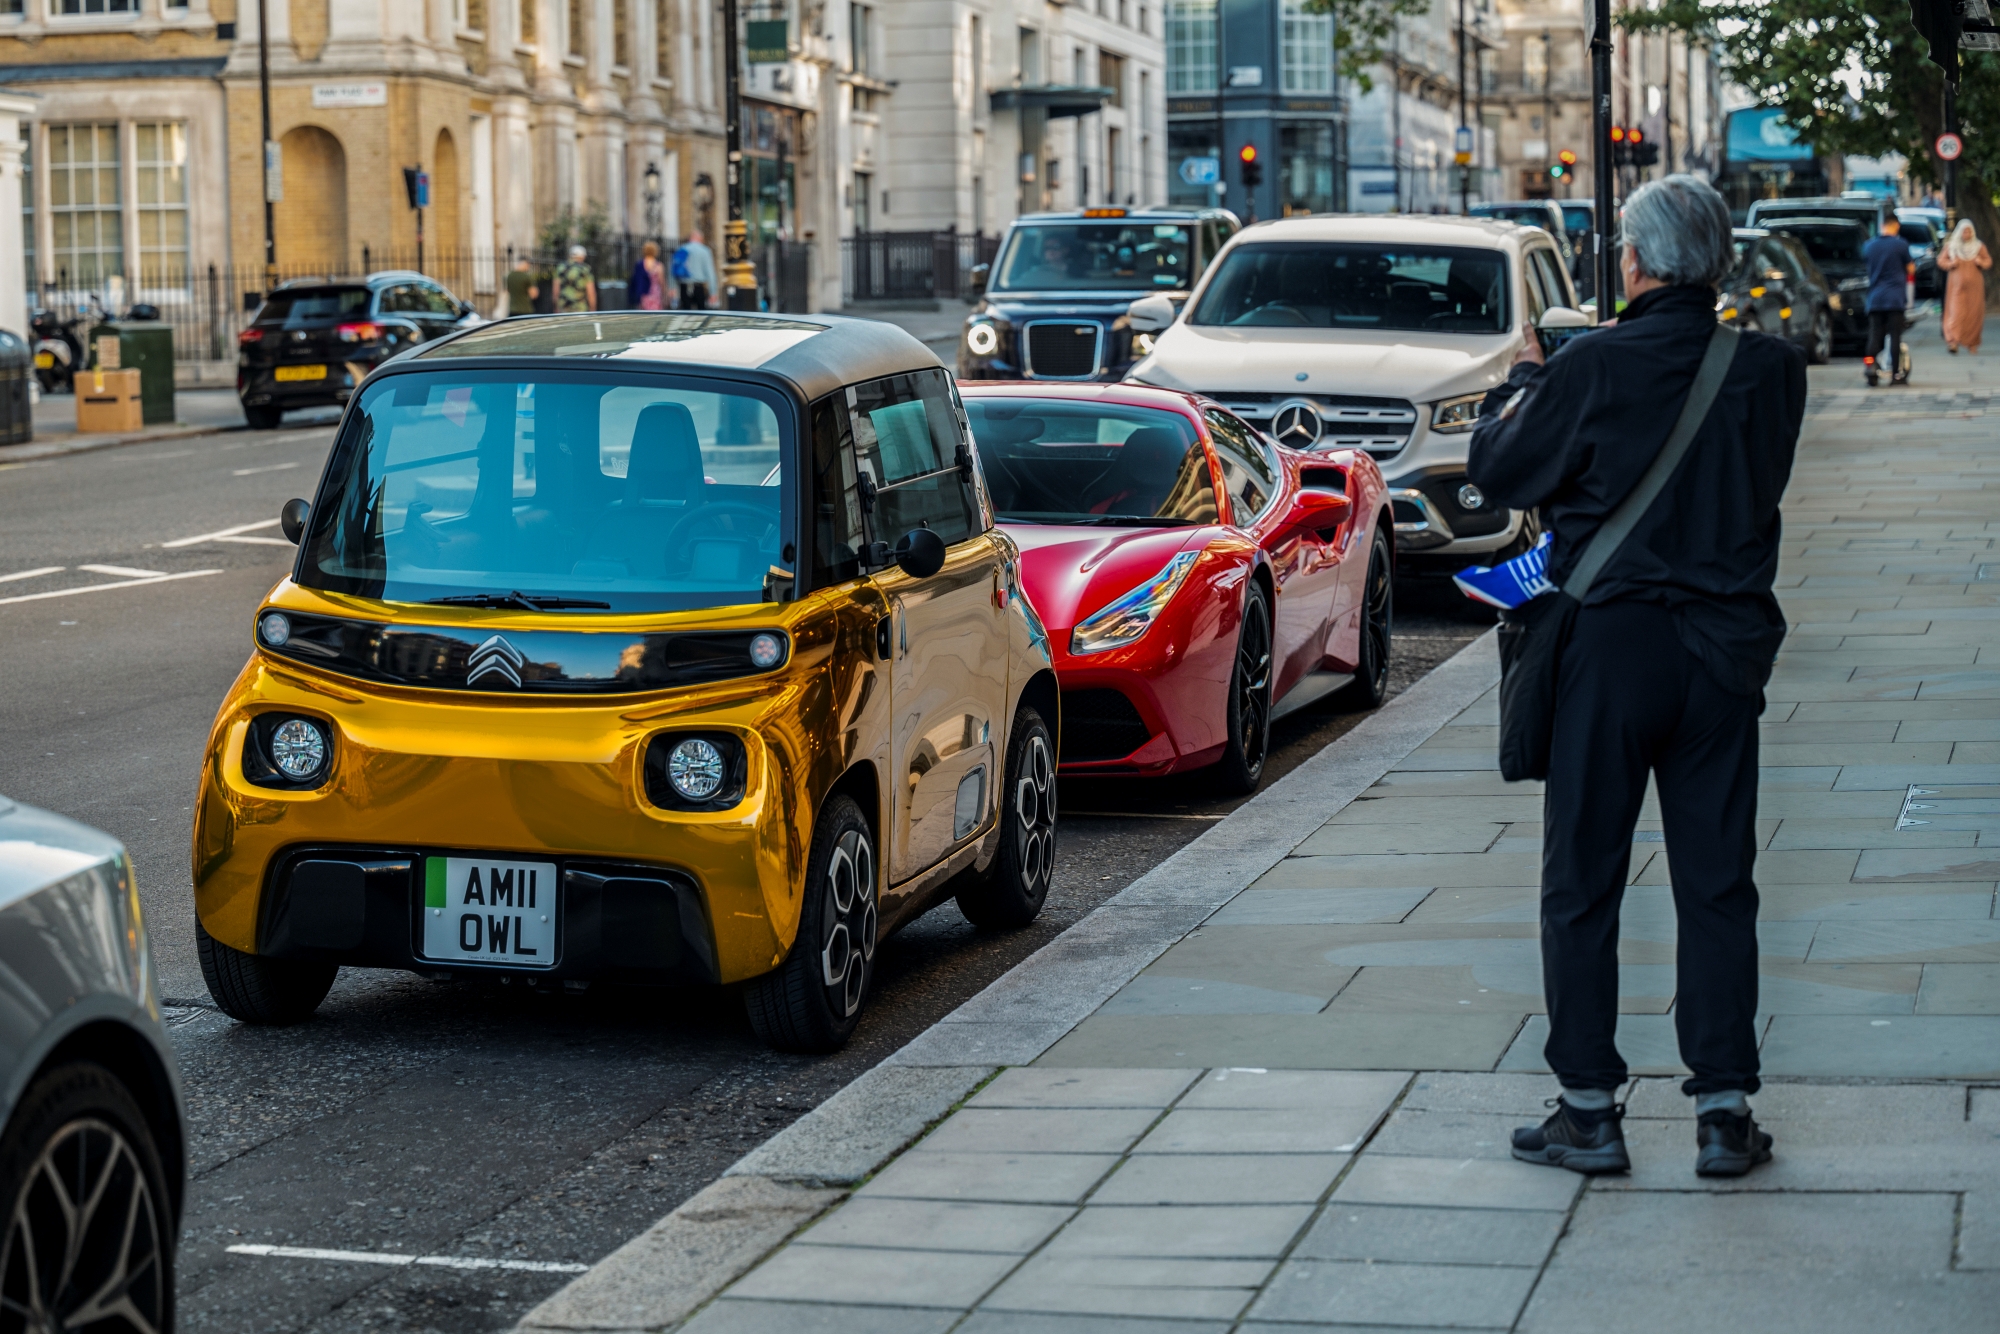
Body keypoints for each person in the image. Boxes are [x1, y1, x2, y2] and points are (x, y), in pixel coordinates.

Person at [1466, 175, 1807, 1180]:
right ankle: (1721, 1111)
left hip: (1608, 648)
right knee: (1716, 879)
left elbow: (1502, 471)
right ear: (1718, 262)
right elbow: (1749, 488)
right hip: (1718, 652)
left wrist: (1523, 388)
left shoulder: (1593, 364)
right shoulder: (1770, 371)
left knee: (1582, 878)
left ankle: (1586, 1108)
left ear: (1633, 263)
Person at [1861, 216, 1914, 386]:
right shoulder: (1901, 245)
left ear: (1881, 225)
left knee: (1875, 335)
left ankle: (1870, 367)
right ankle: (1895, 375)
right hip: (1894, 298)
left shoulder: (1869, 246)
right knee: (1895, 337)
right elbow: (1911, 269)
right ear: (1895, 226)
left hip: (1875, 298)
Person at [1938, 219, 1992, 355]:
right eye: (1964, 231)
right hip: (1956, 287)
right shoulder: (1952, 247)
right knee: (1955, 313)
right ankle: (1953, 342)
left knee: (1974, 314)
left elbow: (1988, 261)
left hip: (1975, 287)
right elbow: (1941, 260)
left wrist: (1981, 262)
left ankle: (1972, 343)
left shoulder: (1978, 247)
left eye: (1969, 231)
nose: (1966, 234)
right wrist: (1951, 263)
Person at [675, 231, 717, 309]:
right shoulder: (705, 250)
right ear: (700, 239)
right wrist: (713, 292)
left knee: (685, 313)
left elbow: (674, 269)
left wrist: (672, 287)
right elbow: (710, 272)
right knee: (701, 313)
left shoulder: (681, 249)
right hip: (698, 287)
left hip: (684, 286)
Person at [555, 244, 597, 313]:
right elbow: (591, 293)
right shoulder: (585, 269)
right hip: (580, 309)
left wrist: (556, 308)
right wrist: (593, 309)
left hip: (563, 308)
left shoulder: (560, 268)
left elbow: (556, 291)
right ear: (582, 257)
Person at [632, 240, 668, 312]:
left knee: (645, 314)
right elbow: (662, 282)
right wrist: (665, 296)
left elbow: (635, 280)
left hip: (644, 294)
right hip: (655, 293)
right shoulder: (658, 265)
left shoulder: (640, 264)